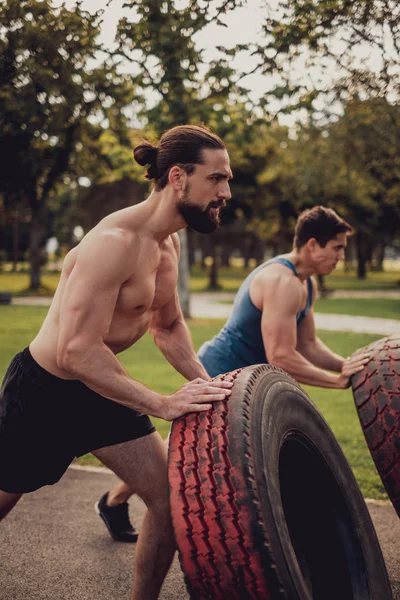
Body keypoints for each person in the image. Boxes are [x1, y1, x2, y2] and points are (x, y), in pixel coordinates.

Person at [0, 124, 234, 600]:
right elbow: (75, 350)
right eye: (217, 179)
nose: (225, 193)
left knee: (171, 502)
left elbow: (166, 328)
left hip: (101, 389)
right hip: (44, 390)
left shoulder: (169, 244)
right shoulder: (113, 242)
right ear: (177, 178)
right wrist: (163, 404)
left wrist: (211, 388)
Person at [97, 205, 370, 543]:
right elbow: (282, 355)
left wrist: (345, 366)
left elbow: (309, 343)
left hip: (249, 380)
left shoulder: (304, 283)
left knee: (186, 453)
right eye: (338, 247)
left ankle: (114, 502)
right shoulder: (281, 281)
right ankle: (113, 501)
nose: (341, 256)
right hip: (220, 370)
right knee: (183, 456)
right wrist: (335, 382)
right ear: (313, 244)